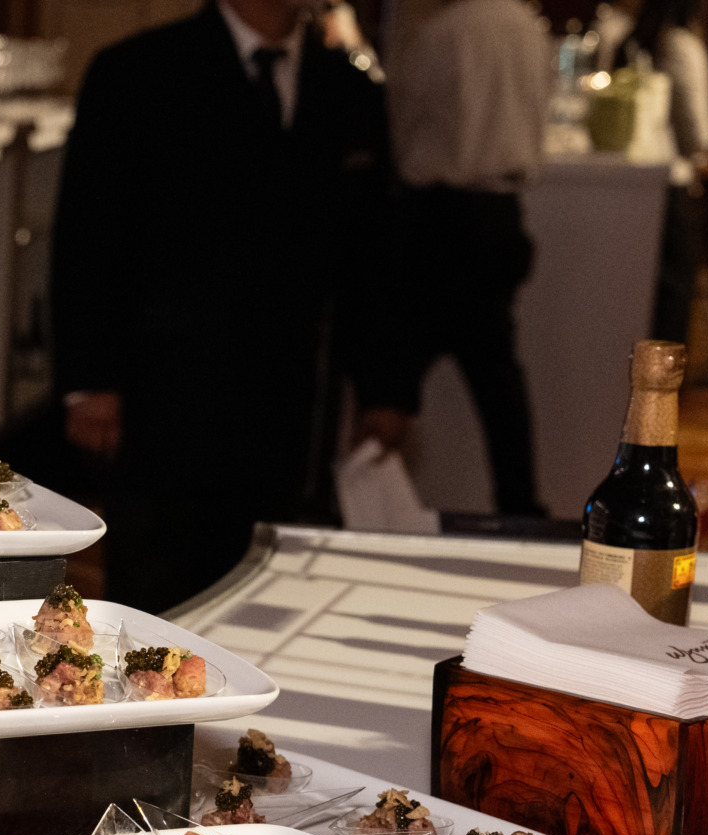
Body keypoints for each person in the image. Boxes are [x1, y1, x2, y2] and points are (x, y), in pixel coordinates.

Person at [51, 0, 408, 613]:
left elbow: (372, 256)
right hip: (164, 399)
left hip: (289, 408)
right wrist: (89, 383)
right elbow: (89, 235)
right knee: (161, 605)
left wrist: (384, 389)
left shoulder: (347, 87)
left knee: (267, 598)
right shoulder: (139, 70)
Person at [384, 0, 553, 517]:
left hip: (442, 215)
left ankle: (363, 499)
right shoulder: (530, 28)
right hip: (502, 213)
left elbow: (403, 122)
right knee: (495, 369)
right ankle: (519, 503)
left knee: (395, 366)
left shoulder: (439, 33)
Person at [615, 0, 708, 343]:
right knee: (676, 292)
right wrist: (706, 155)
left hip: (636, 179)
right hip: (674, 180)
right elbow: (698, 133)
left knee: (644, 291)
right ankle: (666, 387)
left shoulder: (638, 39)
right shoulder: (681, 45)